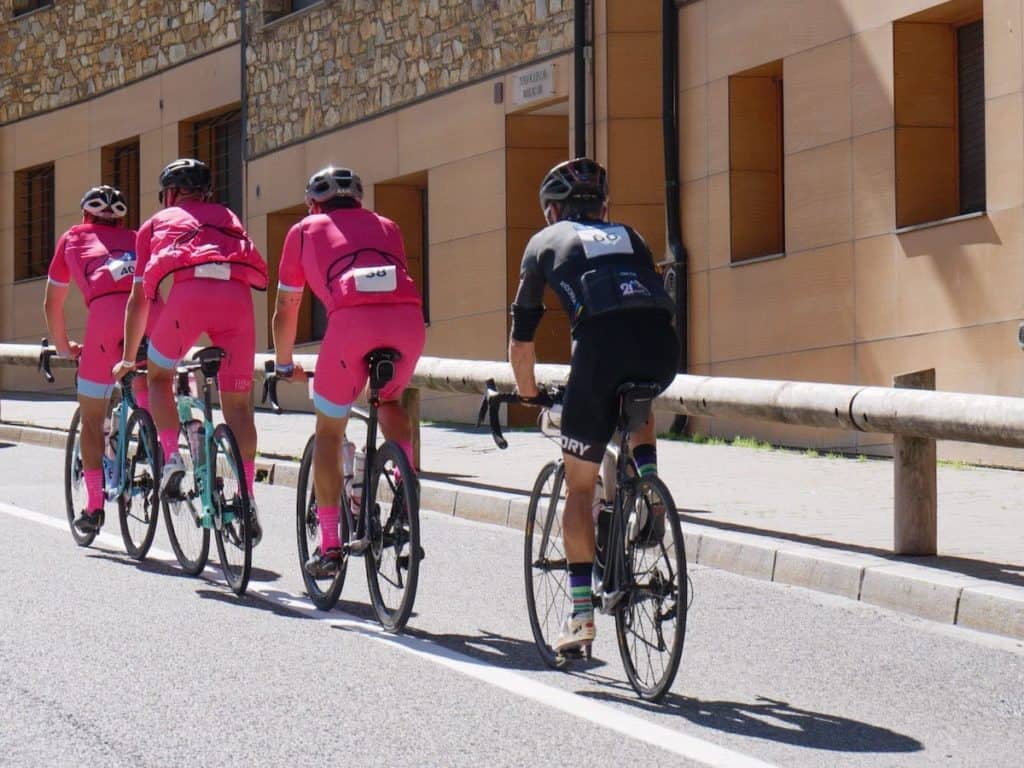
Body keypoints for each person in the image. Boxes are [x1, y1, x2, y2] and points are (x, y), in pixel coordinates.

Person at [508, 157, 680, 653]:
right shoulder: (631, 235)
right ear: (604, 207)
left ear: (551, 212)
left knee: (579, 488)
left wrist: (528, 393)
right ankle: (646, 483)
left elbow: (522, 343)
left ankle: (581, 613)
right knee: (637, 397)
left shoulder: (543, 243)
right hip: (661, 347)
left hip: (600, 352)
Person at [271, 166, 424, 577]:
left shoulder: (304, 230)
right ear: (358, 200)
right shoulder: (388, 226)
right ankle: (405, 492)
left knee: (329, 433)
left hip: (350, 328)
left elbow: (287, 309)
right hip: (408, 324)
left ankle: (330, 545)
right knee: (389, 399)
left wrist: (284, 363)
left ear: (313, 203)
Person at [113, 158, 267, 543]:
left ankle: (172, 460)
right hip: (237, 303)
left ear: (168, 194)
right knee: (239, 408)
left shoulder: (153, 225)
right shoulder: (228, 217)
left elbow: (138, 301)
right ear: (206, 193)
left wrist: (129, 358)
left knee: (160, 377)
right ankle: (246, 496)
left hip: (189, 299)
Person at [44, 185, 152, 533]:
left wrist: (64, 347)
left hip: (105, 322)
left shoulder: (72, 238)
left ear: (85, 216)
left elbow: (52, 304)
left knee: (92, 419)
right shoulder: (137, 239)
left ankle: (93, 507)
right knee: (148, 381)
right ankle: (156, 443)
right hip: (148, 315)